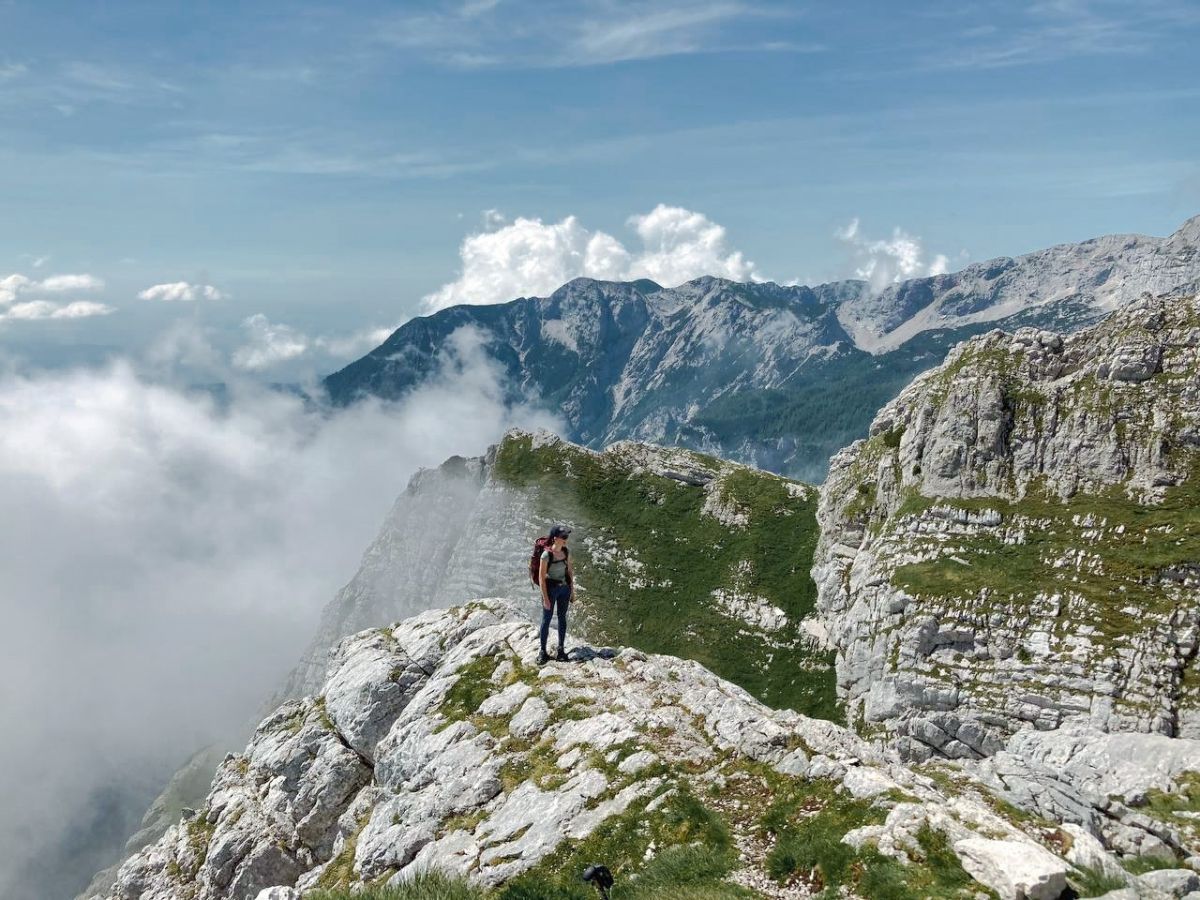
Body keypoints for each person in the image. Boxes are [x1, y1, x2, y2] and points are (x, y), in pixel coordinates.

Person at [538, 524, 574, 664]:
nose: (566, 539)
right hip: (550, 590)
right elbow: (541, 579)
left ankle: (561, 650)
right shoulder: (546, 555)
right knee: (546, 619)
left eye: (566, 536)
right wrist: (545, 598)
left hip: (564, 589)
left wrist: (572, 591)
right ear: (555, 538)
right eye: (563, 536)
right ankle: (542, 651)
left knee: (562, 618)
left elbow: (569, 572)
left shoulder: (566, 552)